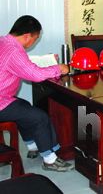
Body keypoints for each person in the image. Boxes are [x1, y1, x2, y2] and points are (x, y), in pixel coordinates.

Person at [0, 15, 74, 172]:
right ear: (27, 36)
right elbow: (34, 75)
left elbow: (23, 65)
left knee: (24, 107)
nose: (34, 42)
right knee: (39, 117)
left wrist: (44, 63)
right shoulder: (14, 51)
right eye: (35, 39)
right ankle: (49, 159)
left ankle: (33, 146)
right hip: (1, 101)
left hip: (4, 98)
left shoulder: (4, 41)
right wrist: (58, 68)